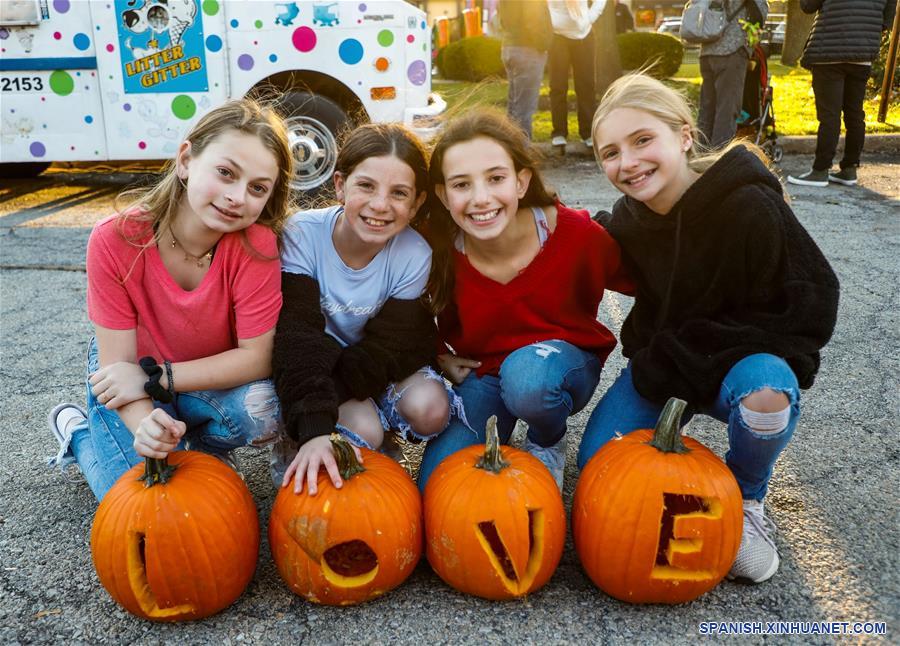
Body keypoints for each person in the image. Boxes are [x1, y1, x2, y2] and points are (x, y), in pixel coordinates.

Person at [586, 73, 840, 583]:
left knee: (766, 398)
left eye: (642, 140)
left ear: (683, 134)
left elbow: (813, 303)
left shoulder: (749, 207)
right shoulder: (631, 220)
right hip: (666, 370)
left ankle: (747, 495)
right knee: (596, 477)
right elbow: (581, 242)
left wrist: (698, 352)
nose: (627, 163)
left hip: (739, 364)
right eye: (610, 153)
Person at [47, 99, 295, 501]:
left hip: (194, 379)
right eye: (225, 173)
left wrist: (158, 377)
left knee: (264, 405)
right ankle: (79, 435)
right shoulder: (114, 239)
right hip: (125, 375)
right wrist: (146, 424)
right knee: (137, 501)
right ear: (185, 159)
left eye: (257, 188)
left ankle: (206, 452)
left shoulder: (257, 246)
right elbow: (119, 369)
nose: (237, 196)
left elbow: (256, 358)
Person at [417, 108, 633, 491]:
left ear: (520, 182)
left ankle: (547, 439)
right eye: (461, 185)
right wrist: (435, 353)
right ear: (442, 195)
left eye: (495, 179)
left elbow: (645, 280)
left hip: (556, 367)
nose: (481, 199)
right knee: (438, 484)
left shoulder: (574, 234)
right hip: (484, 373)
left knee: (529, 381)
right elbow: (402, 304)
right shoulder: (437, 246)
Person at [272, 123, 456, 496]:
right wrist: (312, 419)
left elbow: (387, 349)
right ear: (340, 185)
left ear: (417, 202)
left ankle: (378, 431)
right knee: (363, 430)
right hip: (313, 367)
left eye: (398, 193)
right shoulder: (302, 236)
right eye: (366, 186)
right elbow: (298, 338)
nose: (380, 205)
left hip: (366, 365)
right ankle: (296, 439)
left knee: (430, 407)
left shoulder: (413, 254)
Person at [787, 0, 896, 187]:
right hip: (862, 53)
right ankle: (849, 169)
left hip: (828, 52)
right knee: (854, 114)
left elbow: (807, 6)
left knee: (830, 115)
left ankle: (820, 170)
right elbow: (887, 20)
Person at [697, 0, 768, 148]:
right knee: (727, 111)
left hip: (707, 50)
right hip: (731, 50)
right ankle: (719, 161)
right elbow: (759, 15)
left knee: (707, 109)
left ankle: (699, 158)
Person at [547, 0, 606, 150]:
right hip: (558, 37)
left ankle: (587, 133)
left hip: (584, 37)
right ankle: (559, 133)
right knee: (558, 86)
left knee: (586, 85)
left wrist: (589, 18)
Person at [497, 0, 553, 139]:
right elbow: (533, 19)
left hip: (510, 48)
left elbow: (502, 18)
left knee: (514, 108)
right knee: (524, 110)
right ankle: (522, 154)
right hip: (528, 50)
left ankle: (511, 149)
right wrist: (544, 44)